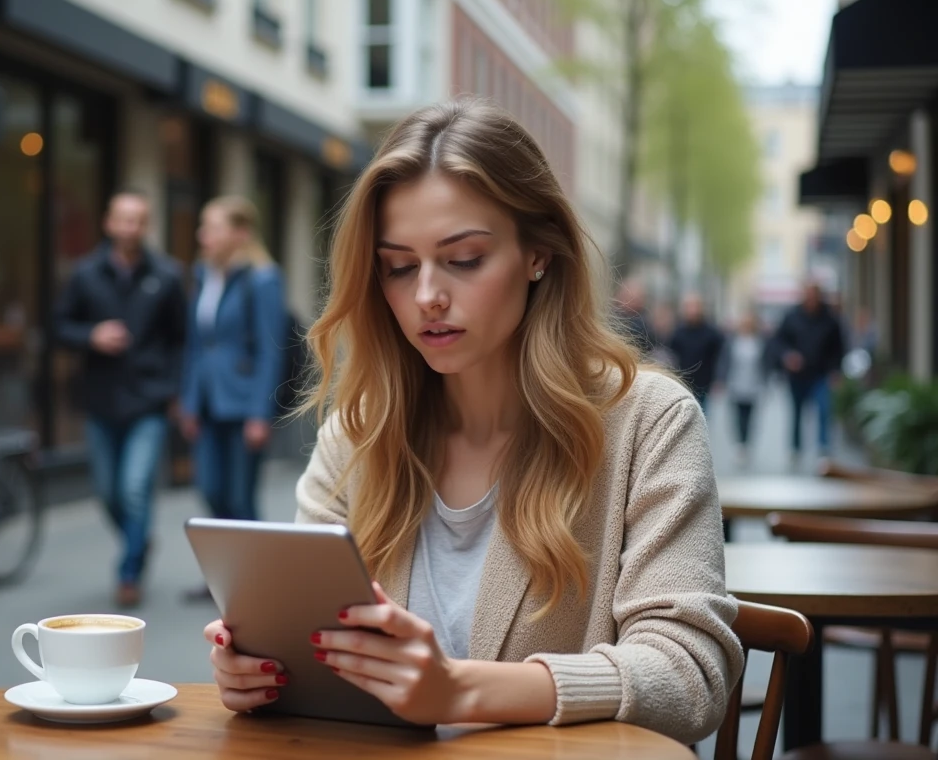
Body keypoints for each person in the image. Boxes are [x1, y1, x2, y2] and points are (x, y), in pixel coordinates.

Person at [201, 100, 741, 744]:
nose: (427, 293)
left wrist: (459, 689)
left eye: (463, 259)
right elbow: (313, 651)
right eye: (399, 267)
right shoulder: (360, 433)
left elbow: (688, 676)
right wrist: (263, 670)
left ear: (538, 254)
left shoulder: (649, 422)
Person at [54, 189, 187, 608]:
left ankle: (129, 572)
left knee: (133, 489)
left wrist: (174, 390)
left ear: (145, 226)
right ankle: (139, 539)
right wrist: (90, 335)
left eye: (138, 220)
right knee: (108, 493)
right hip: (101, 400)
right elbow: (58, 326)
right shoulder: (85, 273)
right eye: (123, 219)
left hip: (148, 400)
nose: (130, 228)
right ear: (109, 223)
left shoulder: (166, 275)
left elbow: (181, 340)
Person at [179, 196, 287, 525]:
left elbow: (271, 350)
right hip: (209, 402)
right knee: (211, 490)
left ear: (240, 234)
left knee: (241, 499)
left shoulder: (262, 279)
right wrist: (189, 402)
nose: (202, 235)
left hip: (244, 405)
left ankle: (253, 576)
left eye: (212, 227)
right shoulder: (204, 276)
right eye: (203, 227)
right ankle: (228, 573)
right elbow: (195, 345)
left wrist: (260, 413)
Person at [771, 281, 846, 463]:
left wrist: (836, 370)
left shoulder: (830, 319)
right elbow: (778, 342)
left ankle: (823, 447)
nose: (811, 300)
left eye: (814, 296)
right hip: (797, 375)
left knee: (823, 409)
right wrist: (787, 357)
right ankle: (796, 448)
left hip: (821, 373)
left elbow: (839, 347)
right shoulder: (791, 317)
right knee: (796, 412)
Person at [667, 292, 726, 413]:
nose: (692, 310)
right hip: (683, 382)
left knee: (701, 415)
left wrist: (719, 379)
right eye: (689, 306)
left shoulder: (712, 333)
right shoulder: (678, 332)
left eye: (695, 306)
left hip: (704, 383)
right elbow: (671, 356)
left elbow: (719, 357)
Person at [721, 313, 765, 469]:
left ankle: (747, 443)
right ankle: (740, 444)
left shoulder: (759, 342)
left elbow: (765, 362)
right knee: (738, 416)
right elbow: (725, 361)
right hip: (736, 384)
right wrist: (722, 379)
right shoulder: (733, 341)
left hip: (754, 385)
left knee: (750, 416)